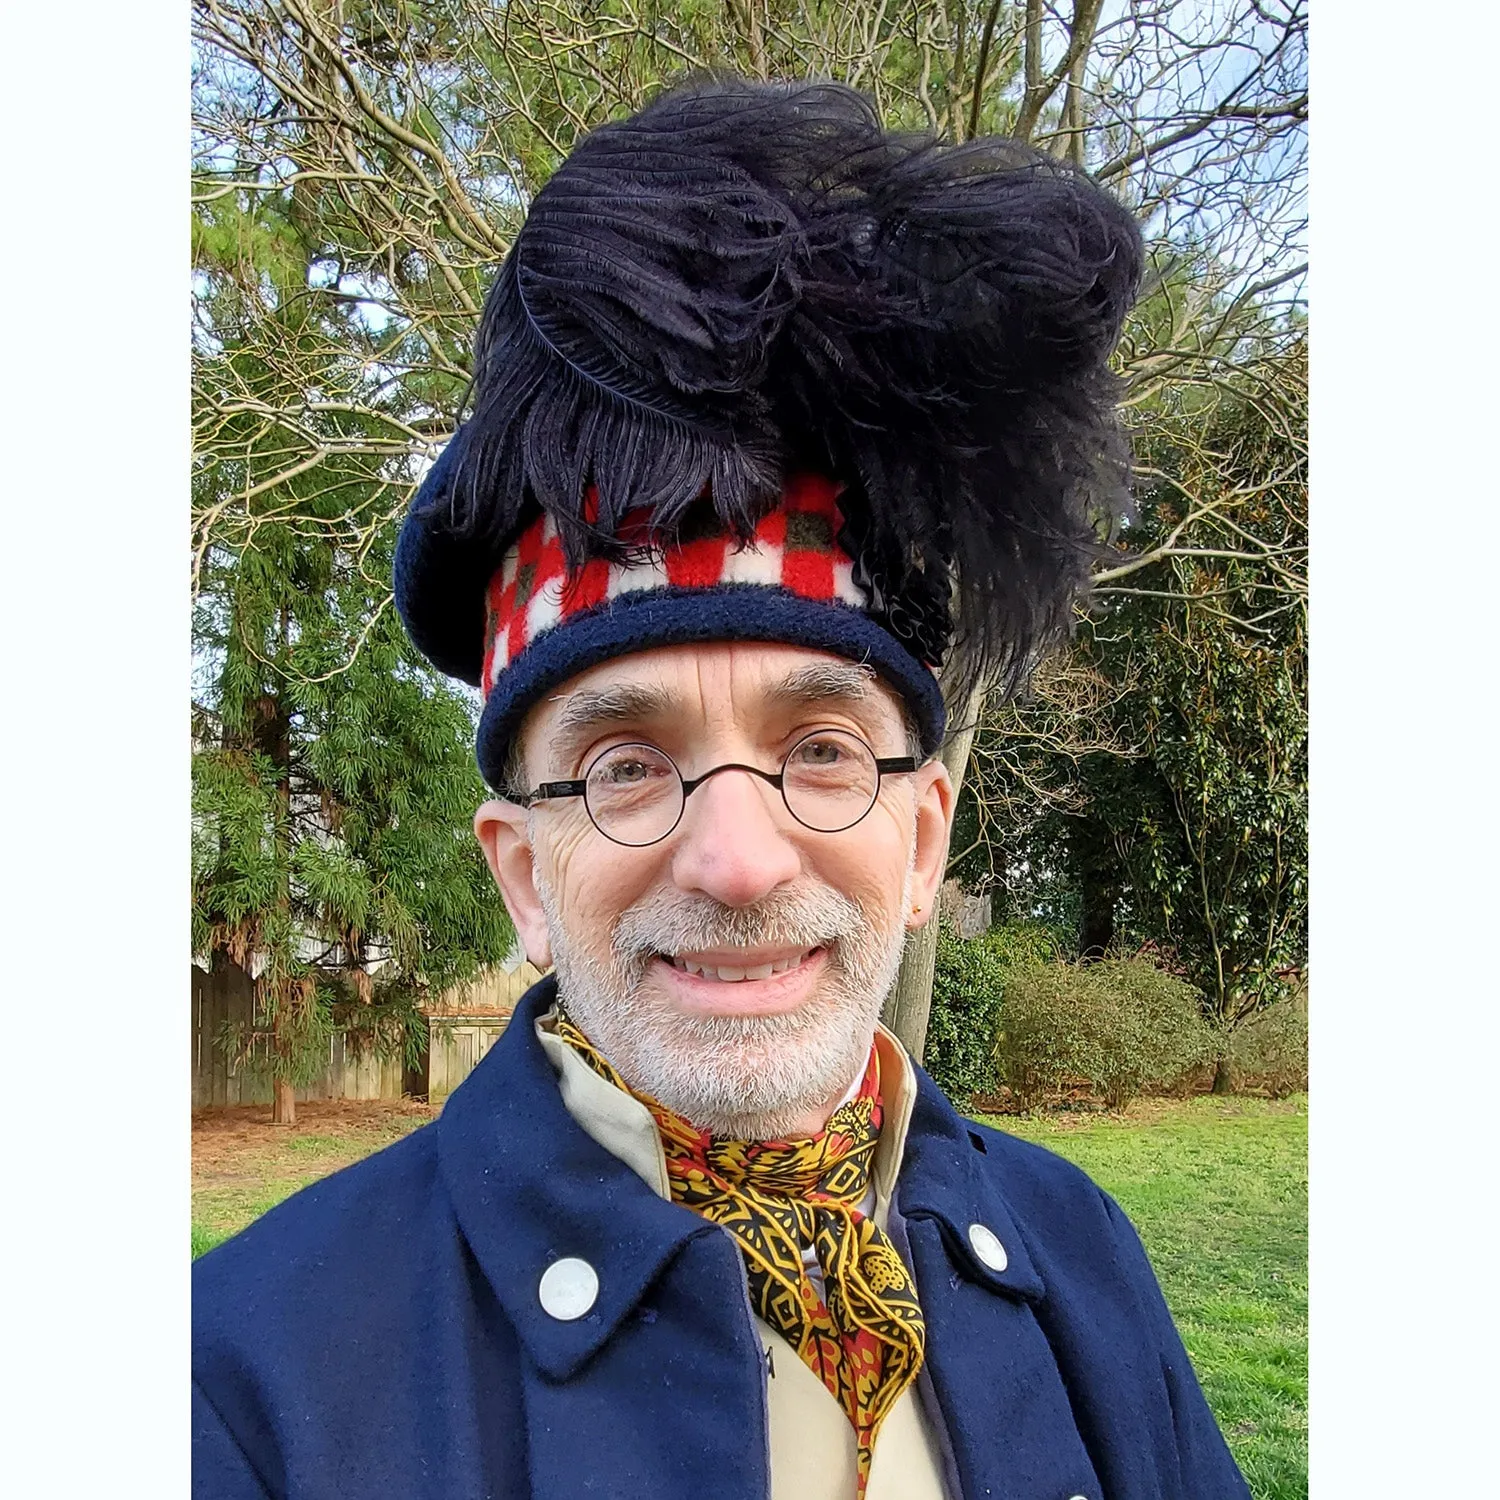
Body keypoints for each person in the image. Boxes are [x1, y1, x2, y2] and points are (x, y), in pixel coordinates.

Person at [192, 76, 1250, 1500]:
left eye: (820, 748)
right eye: (628, 766)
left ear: (923, 834)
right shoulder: (241, 1390)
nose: (741, 862)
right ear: (522, 876)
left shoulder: (1082, 1259)